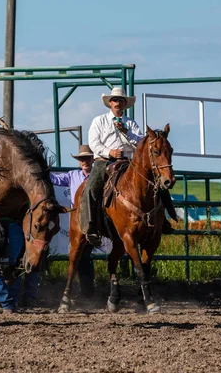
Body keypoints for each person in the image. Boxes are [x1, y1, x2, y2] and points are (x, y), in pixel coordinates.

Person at [82, 87, 143, 246]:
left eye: (120, 100)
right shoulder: (99, 121)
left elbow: (141, 144)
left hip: (128, 162)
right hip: (104, 161)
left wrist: (127, 132)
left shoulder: (131, 124)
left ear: (125, 104)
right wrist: (110, 152)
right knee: (90, 189)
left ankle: (163, 220)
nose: (117, 103)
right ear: (110, 103)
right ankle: (90, 226)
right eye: (115, 100)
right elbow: (94, 143)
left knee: (151, 183)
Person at [50, 144, 97, 297]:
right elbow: (54, 179)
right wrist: (43, 169)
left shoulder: (97, 176)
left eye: (87, 158)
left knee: (82, 256)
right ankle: (86, 292)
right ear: (79, 161)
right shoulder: (72, 175)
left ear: (92, 159)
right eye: (82, 159)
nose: (84, 161)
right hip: (77, 221)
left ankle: (85, 291)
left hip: (93, 219)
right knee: (82, 257)